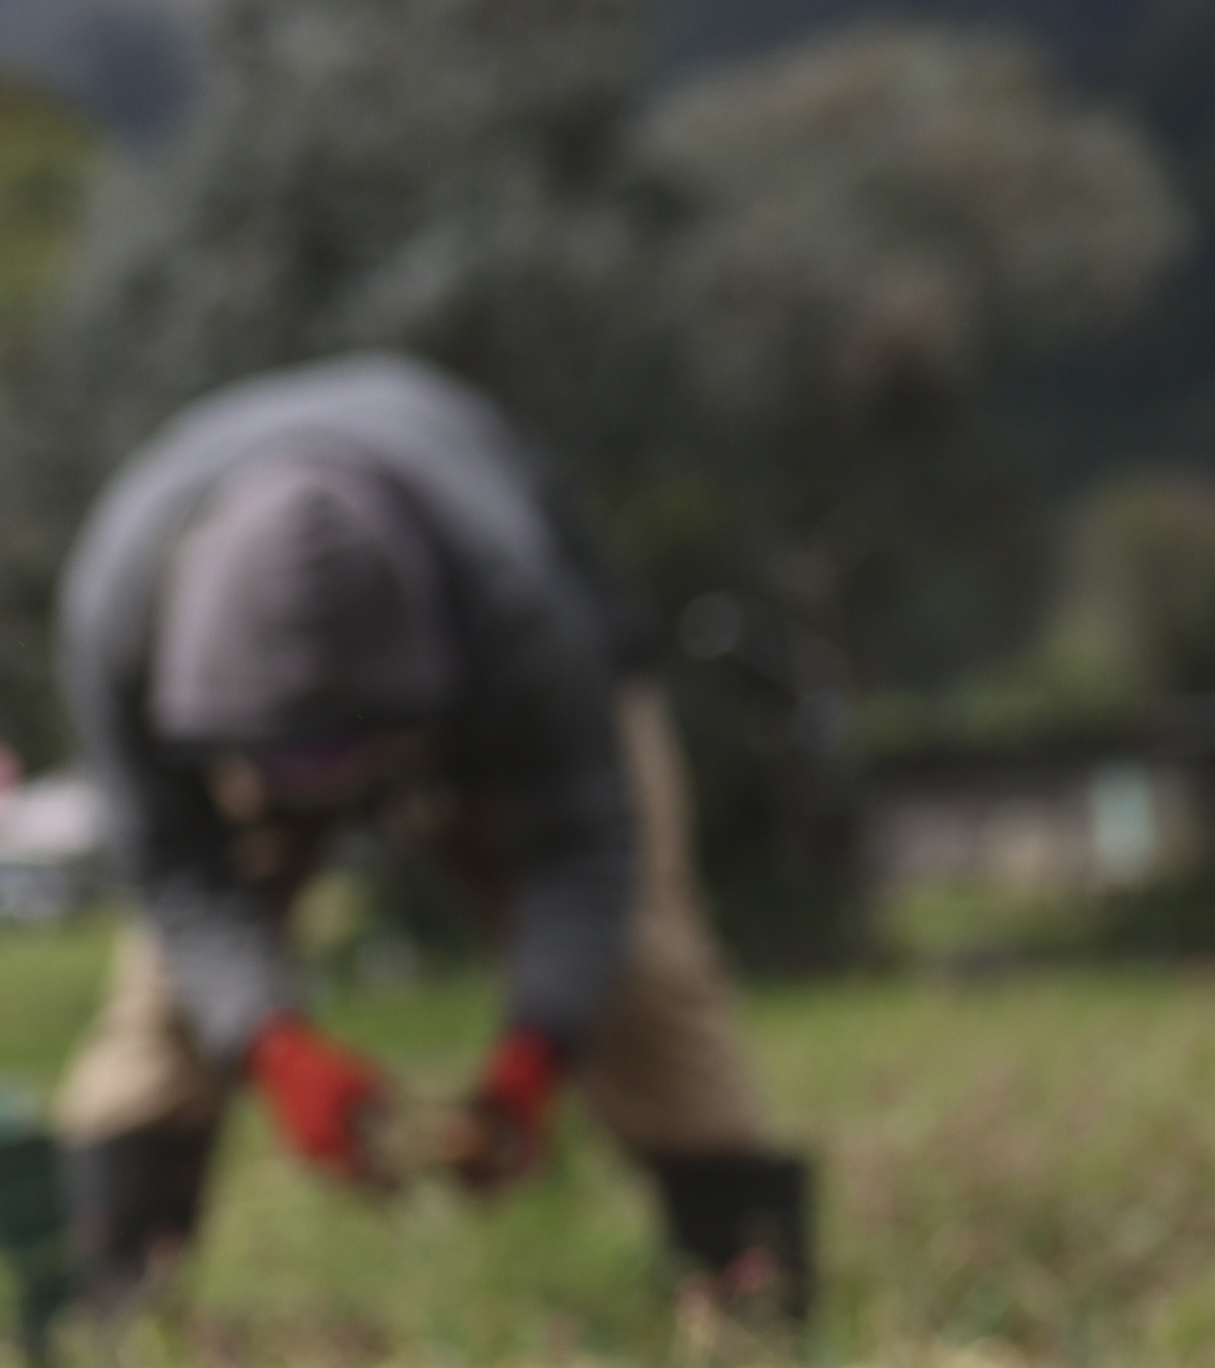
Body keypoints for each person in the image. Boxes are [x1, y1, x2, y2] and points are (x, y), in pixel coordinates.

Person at [54, 354, 809, 1317]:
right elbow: (173, 872)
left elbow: (587, 845)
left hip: (497, 699)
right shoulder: (119, 614)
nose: (322, 793)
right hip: (276, 708)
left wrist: (539, 1049)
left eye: (343, 753)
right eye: (291, 765)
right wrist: (273, 1048)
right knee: (167, 999)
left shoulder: (516, 605)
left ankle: (746, 1289)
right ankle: (115, 1306)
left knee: (646, 964)